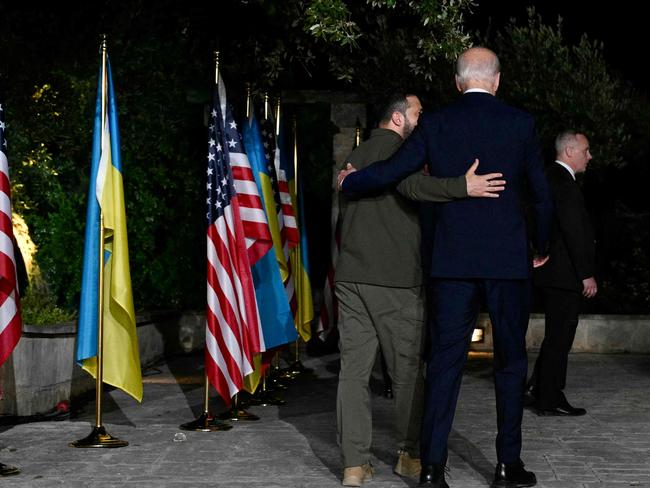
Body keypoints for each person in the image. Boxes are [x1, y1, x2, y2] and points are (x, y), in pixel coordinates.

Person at [339, 47, 553, 488]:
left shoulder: (435, 122)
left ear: (457, 83)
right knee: (510, 362)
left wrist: (351, 181)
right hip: (507, 261)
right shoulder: (521, 124)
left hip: (452, 262)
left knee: (444, 363)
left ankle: (432, 468)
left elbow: (394, 170)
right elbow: (542, 195)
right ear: (496, 80)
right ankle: (507, 465)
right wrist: (542, 245)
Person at [336, 93, 505, 487]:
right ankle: (410, 455)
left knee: (353, 374)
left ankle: (353, 466)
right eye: (417, 113)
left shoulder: (355, 156)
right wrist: (463, 185)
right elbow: (414, 188)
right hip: (395, 280)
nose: (422, 118)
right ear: (398, 118)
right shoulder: (397, 154)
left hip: (350, 278)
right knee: (409, 371)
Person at [527, 131, 596, 416]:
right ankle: (549, 398)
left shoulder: (547, 178)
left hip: (552, 272)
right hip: (563, 274)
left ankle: (540, 388)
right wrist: (586, 274)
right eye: (586, 150)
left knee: (556, 335)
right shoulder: (564, 184)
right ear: (569, 151)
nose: (589, 156)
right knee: (561, 336)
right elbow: (573, 232)